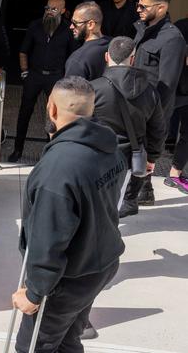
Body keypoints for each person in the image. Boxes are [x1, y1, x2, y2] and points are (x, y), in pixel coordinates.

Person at [12, 76, 126, 353]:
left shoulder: (56, 171)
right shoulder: (110, 147)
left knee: (33, 348)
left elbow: (48, 240)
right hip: (100, 266)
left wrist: (35, 292)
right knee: (67, 341)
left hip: (69, 280)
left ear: (51, 108)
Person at [91, 37, 165, 218]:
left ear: (106, 57)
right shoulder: (150, 91)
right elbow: (158, 129)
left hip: (96, 154)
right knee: (115, 204)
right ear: (133, 59)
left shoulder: (93, 89)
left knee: (95, 204)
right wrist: (153, 157)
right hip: (131, 156)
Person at [131, 0, 186, 206]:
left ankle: (141, 194)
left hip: (152, 110)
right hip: (135, 104)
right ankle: (140, 191)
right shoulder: (142, 29)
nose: (138, 10)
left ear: (161, 7)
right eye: (138, 5)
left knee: (144, 155)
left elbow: (167, 84)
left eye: (143, 6)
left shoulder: (173, 38)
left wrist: (154, 119)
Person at [9, 0, 75, 163]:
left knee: (53, 115)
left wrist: (67, 78)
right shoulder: (35, 26)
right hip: (35, 75)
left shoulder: (68, 29)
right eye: (47, 8)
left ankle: (51, 151)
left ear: (63, 11)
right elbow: (23, 50)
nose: (49, 12)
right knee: (24, 113)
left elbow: (74, 55)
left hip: (56, 77)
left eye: (54, 9)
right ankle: (17, 149)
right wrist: (25, 72)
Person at [164, 17, 188, 194]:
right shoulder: (180, 27)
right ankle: (144, 181)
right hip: (175, 87)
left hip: (178, 88)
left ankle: (175, 173)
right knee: (157, 130)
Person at [65, 1, 110, 80]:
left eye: (75, 23)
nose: (71, 26)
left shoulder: (77, 60)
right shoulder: (114, 45)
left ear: (90, 24)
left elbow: (72, 91)